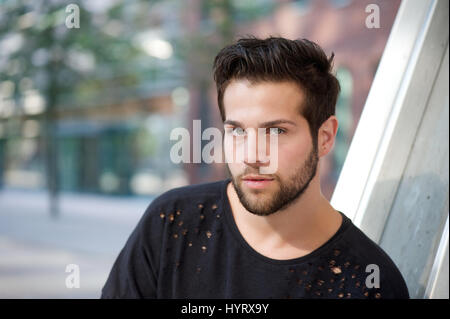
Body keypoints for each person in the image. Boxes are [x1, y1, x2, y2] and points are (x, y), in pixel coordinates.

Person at [101, 37, 409, 299]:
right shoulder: (172, 223)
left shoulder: (369, 281)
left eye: (276, 131)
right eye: (237, 131)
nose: (252, 156)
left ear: (325, 137)